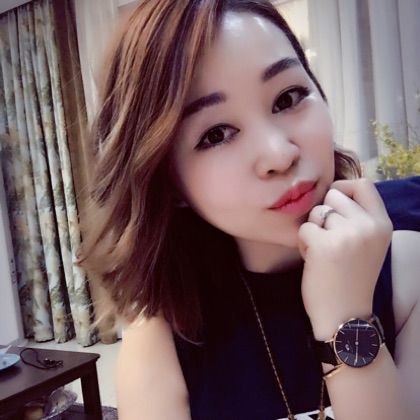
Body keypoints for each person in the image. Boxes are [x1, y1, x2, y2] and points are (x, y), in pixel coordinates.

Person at [80, 1, 420, 419]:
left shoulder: (408, 271)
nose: (279, 154)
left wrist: (346, 320)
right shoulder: (161, 342)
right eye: (216, 134)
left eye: (288, 98)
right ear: (169, 183)